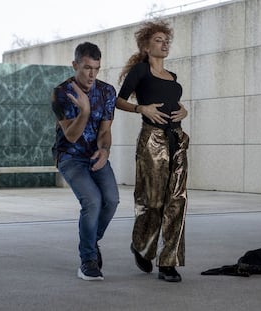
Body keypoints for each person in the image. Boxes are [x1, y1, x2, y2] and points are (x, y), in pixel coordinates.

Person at [116, 20, 189, 282]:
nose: (164, 43)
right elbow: (119, 100)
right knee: (153, 201)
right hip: (152, 141)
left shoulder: (173, 77)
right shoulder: (140, 71)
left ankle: (169, 262)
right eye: (158, 40)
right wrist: (141, 108)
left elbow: (173, 102)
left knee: (178, 200)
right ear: (147, 46)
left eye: (166, 40)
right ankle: (142, 246)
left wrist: (184, 110)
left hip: (177, 139)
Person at [51, 42, 119, 281]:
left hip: (95, 154)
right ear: (75, 65)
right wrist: (85, 112)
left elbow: (105, 131)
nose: (92, 74)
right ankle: (88, 260)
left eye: (97, 69)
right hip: (70, 156)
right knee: (92, 200)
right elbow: (70, 136)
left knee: (111, 200)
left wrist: (105, 150)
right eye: (87, 68)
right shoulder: (61, 92)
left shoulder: (107, 92)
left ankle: (91, 240)